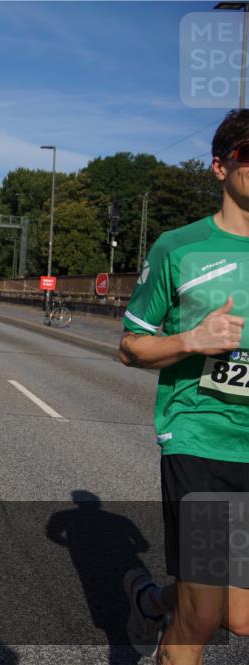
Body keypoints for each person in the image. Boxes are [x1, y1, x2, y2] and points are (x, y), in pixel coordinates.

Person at [118, 109, 249, 664]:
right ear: (220, 167)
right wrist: (193, 339)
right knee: (198, 622)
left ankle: (150, 601)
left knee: (237, 617)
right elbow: (131, 346)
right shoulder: (180, 247)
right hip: (201, 439)